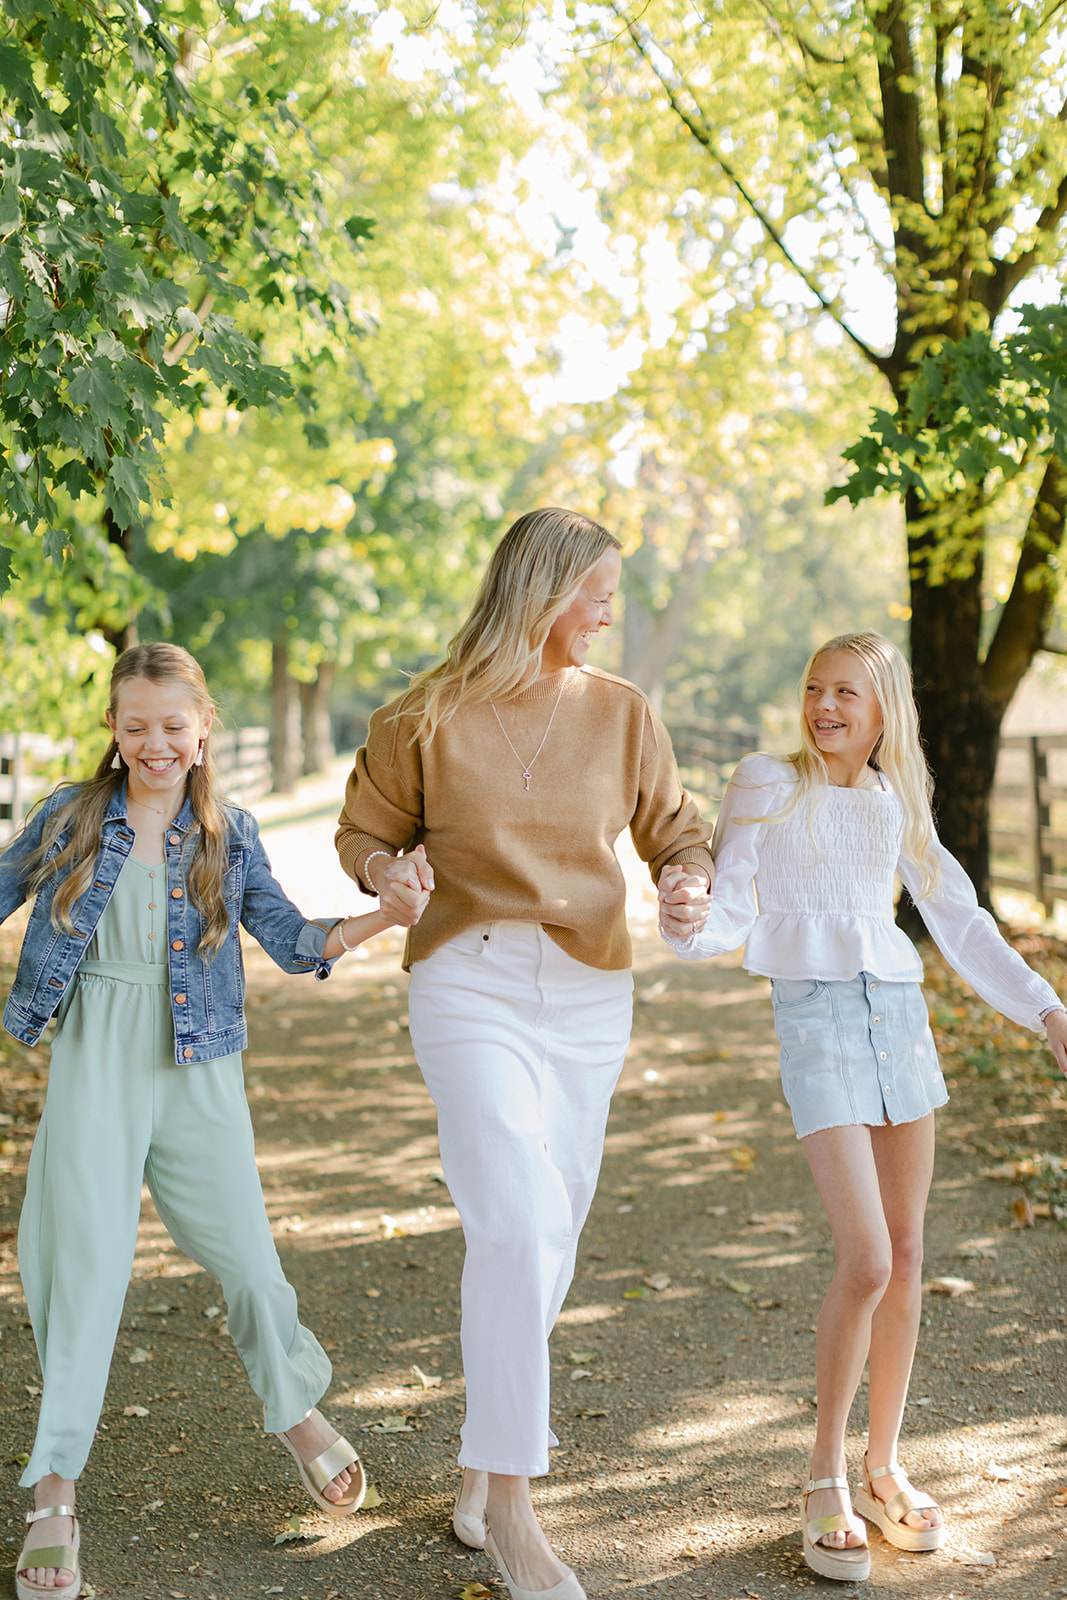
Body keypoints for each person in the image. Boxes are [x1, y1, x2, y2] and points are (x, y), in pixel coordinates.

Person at [335, 507, 712, 1600]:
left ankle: (478, 1456)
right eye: (594, 593)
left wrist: (683, 875)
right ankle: (511, 1512)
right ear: (537, 590)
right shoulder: (422, 714)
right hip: (469, 977)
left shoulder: (622, 712)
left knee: (550, 1232)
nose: (607, 613)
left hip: (588, 990)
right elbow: (365, 833)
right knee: (513, 1215)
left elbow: (674, 828)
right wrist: (382, 877)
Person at [3, 643, 430, 1600]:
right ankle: (55, 1496)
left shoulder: (228, 834)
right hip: (96, 1064)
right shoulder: (71, 818)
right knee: (83, 1274)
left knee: (247, 1259)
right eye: (134, 724)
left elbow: (287, 937)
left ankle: (294, 1414)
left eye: (172, 724)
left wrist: (384, 919)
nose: (154, 742)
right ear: (114, 729)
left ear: (202, 731)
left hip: (201, 1070)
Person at [658, 631, 1067, 1582]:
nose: (824, 706)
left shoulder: (895, 802)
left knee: (910, 1251)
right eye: (813, 689)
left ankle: (884, 1465)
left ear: (883, 710)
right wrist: (685, 917)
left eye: (846, 692)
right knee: (866, 1256)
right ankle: (823, 1476)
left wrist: (1046, 1011)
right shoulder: (766, 781)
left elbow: (959, 920)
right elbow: (726, 906)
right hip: (816, 1019)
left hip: (898, 1015)